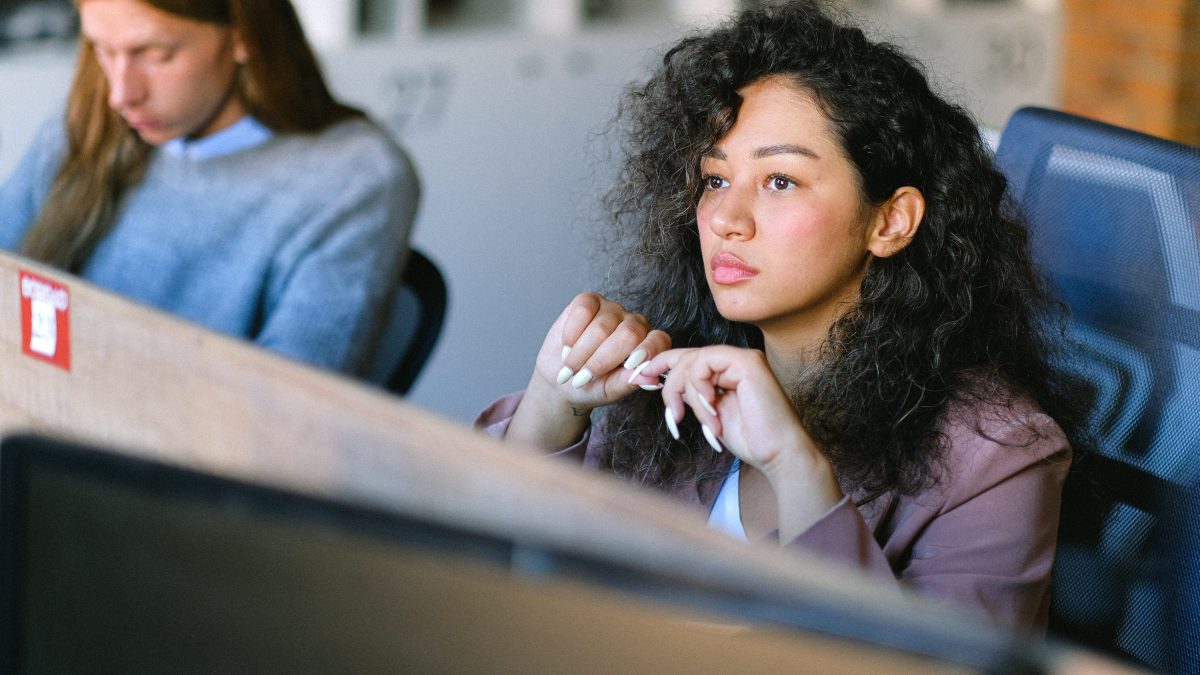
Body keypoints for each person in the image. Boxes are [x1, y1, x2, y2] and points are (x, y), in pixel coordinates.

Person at [478, 0, 1088, 631]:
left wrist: (795, 467)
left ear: (890, 220)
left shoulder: (995, 458)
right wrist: (552, 411)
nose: (725, 219)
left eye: (780, 181)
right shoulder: (663, 378)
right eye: (714, 180)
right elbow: (473, 585)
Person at [0, 0, 419, 377]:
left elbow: (286, 419)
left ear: (243, 36)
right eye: (102, 50)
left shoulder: (352, 178)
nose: (121, 94)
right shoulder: (86, 123)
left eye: (157, 55)